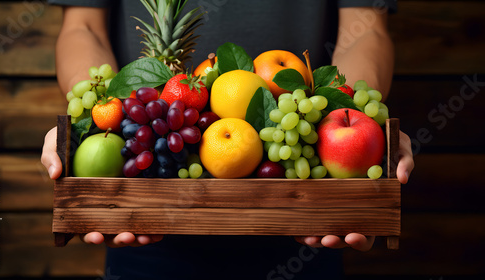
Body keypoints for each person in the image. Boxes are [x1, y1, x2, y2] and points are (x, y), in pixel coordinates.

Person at [42, 0, 414, 279]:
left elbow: (366, 27)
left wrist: (360, 129)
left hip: (309, 223)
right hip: (144, 222)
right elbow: (83, 27)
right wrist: (92, 119)